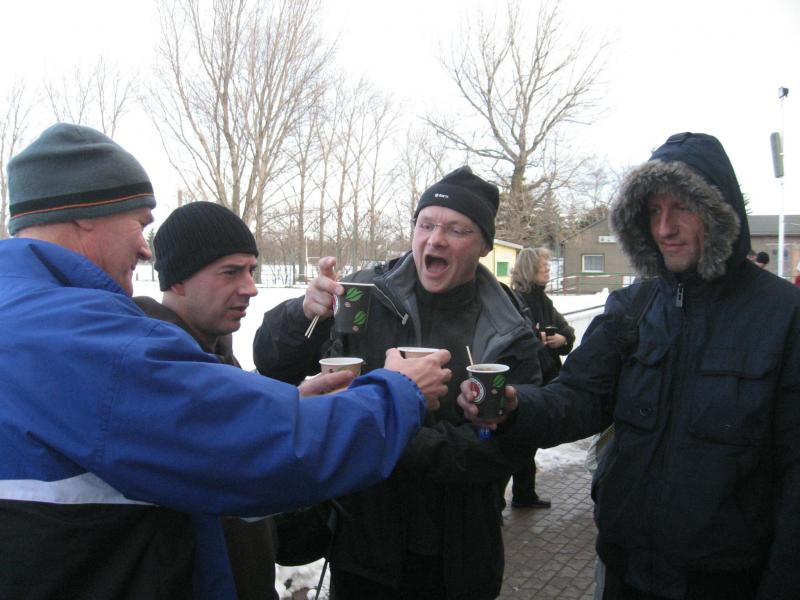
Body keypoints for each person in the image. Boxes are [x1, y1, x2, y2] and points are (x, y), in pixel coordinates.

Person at [0, 123, 453, 600]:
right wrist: (399, 391)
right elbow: (267, 451)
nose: (145, 248)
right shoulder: (87, 340)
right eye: (139, 222)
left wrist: (290, 403)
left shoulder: (24, 319)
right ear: (84, 216)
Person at [459, 132, 800, 600]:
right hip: (626, 571)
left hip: (728, 581)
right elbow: (578, 397)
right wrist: (516, 408)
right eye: (654, 211)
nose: (665, 228)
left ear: (718, 213)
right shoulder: (633, 308)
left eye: (682, 208)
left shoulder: (783, 316)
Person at [253, 166, 541, 600]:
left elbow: (507, 449)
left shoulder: (506, 328)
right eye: (425, 225)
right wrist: (304, 314)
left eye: (456, 229)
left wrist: (382, 429)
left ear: (484, 245)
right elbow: (273, 364)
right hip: (364, 551)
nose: (435, 239)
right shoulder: (365, 295)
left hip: (459, 558)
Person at [133, 200, 284, 600]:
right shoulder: (159, 375)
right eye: (231, 272)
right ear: (178, 281)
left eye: (251, 270)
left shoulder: (218, 359)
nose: (250, 287)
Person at [505, 246, 575, 509]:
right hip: (522, 381)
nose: (548, 269)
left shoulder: (544, 301)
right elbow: (510, 342)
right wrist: (535, 339)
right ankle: (506, 499)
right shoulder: (513, 301)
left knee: (527, 440)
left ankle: (524, 494)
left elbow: (567, 331)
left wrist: (562, 339)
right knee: (517, 441)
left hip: (542, 379)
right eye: (542, 265)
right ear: (529, 269)